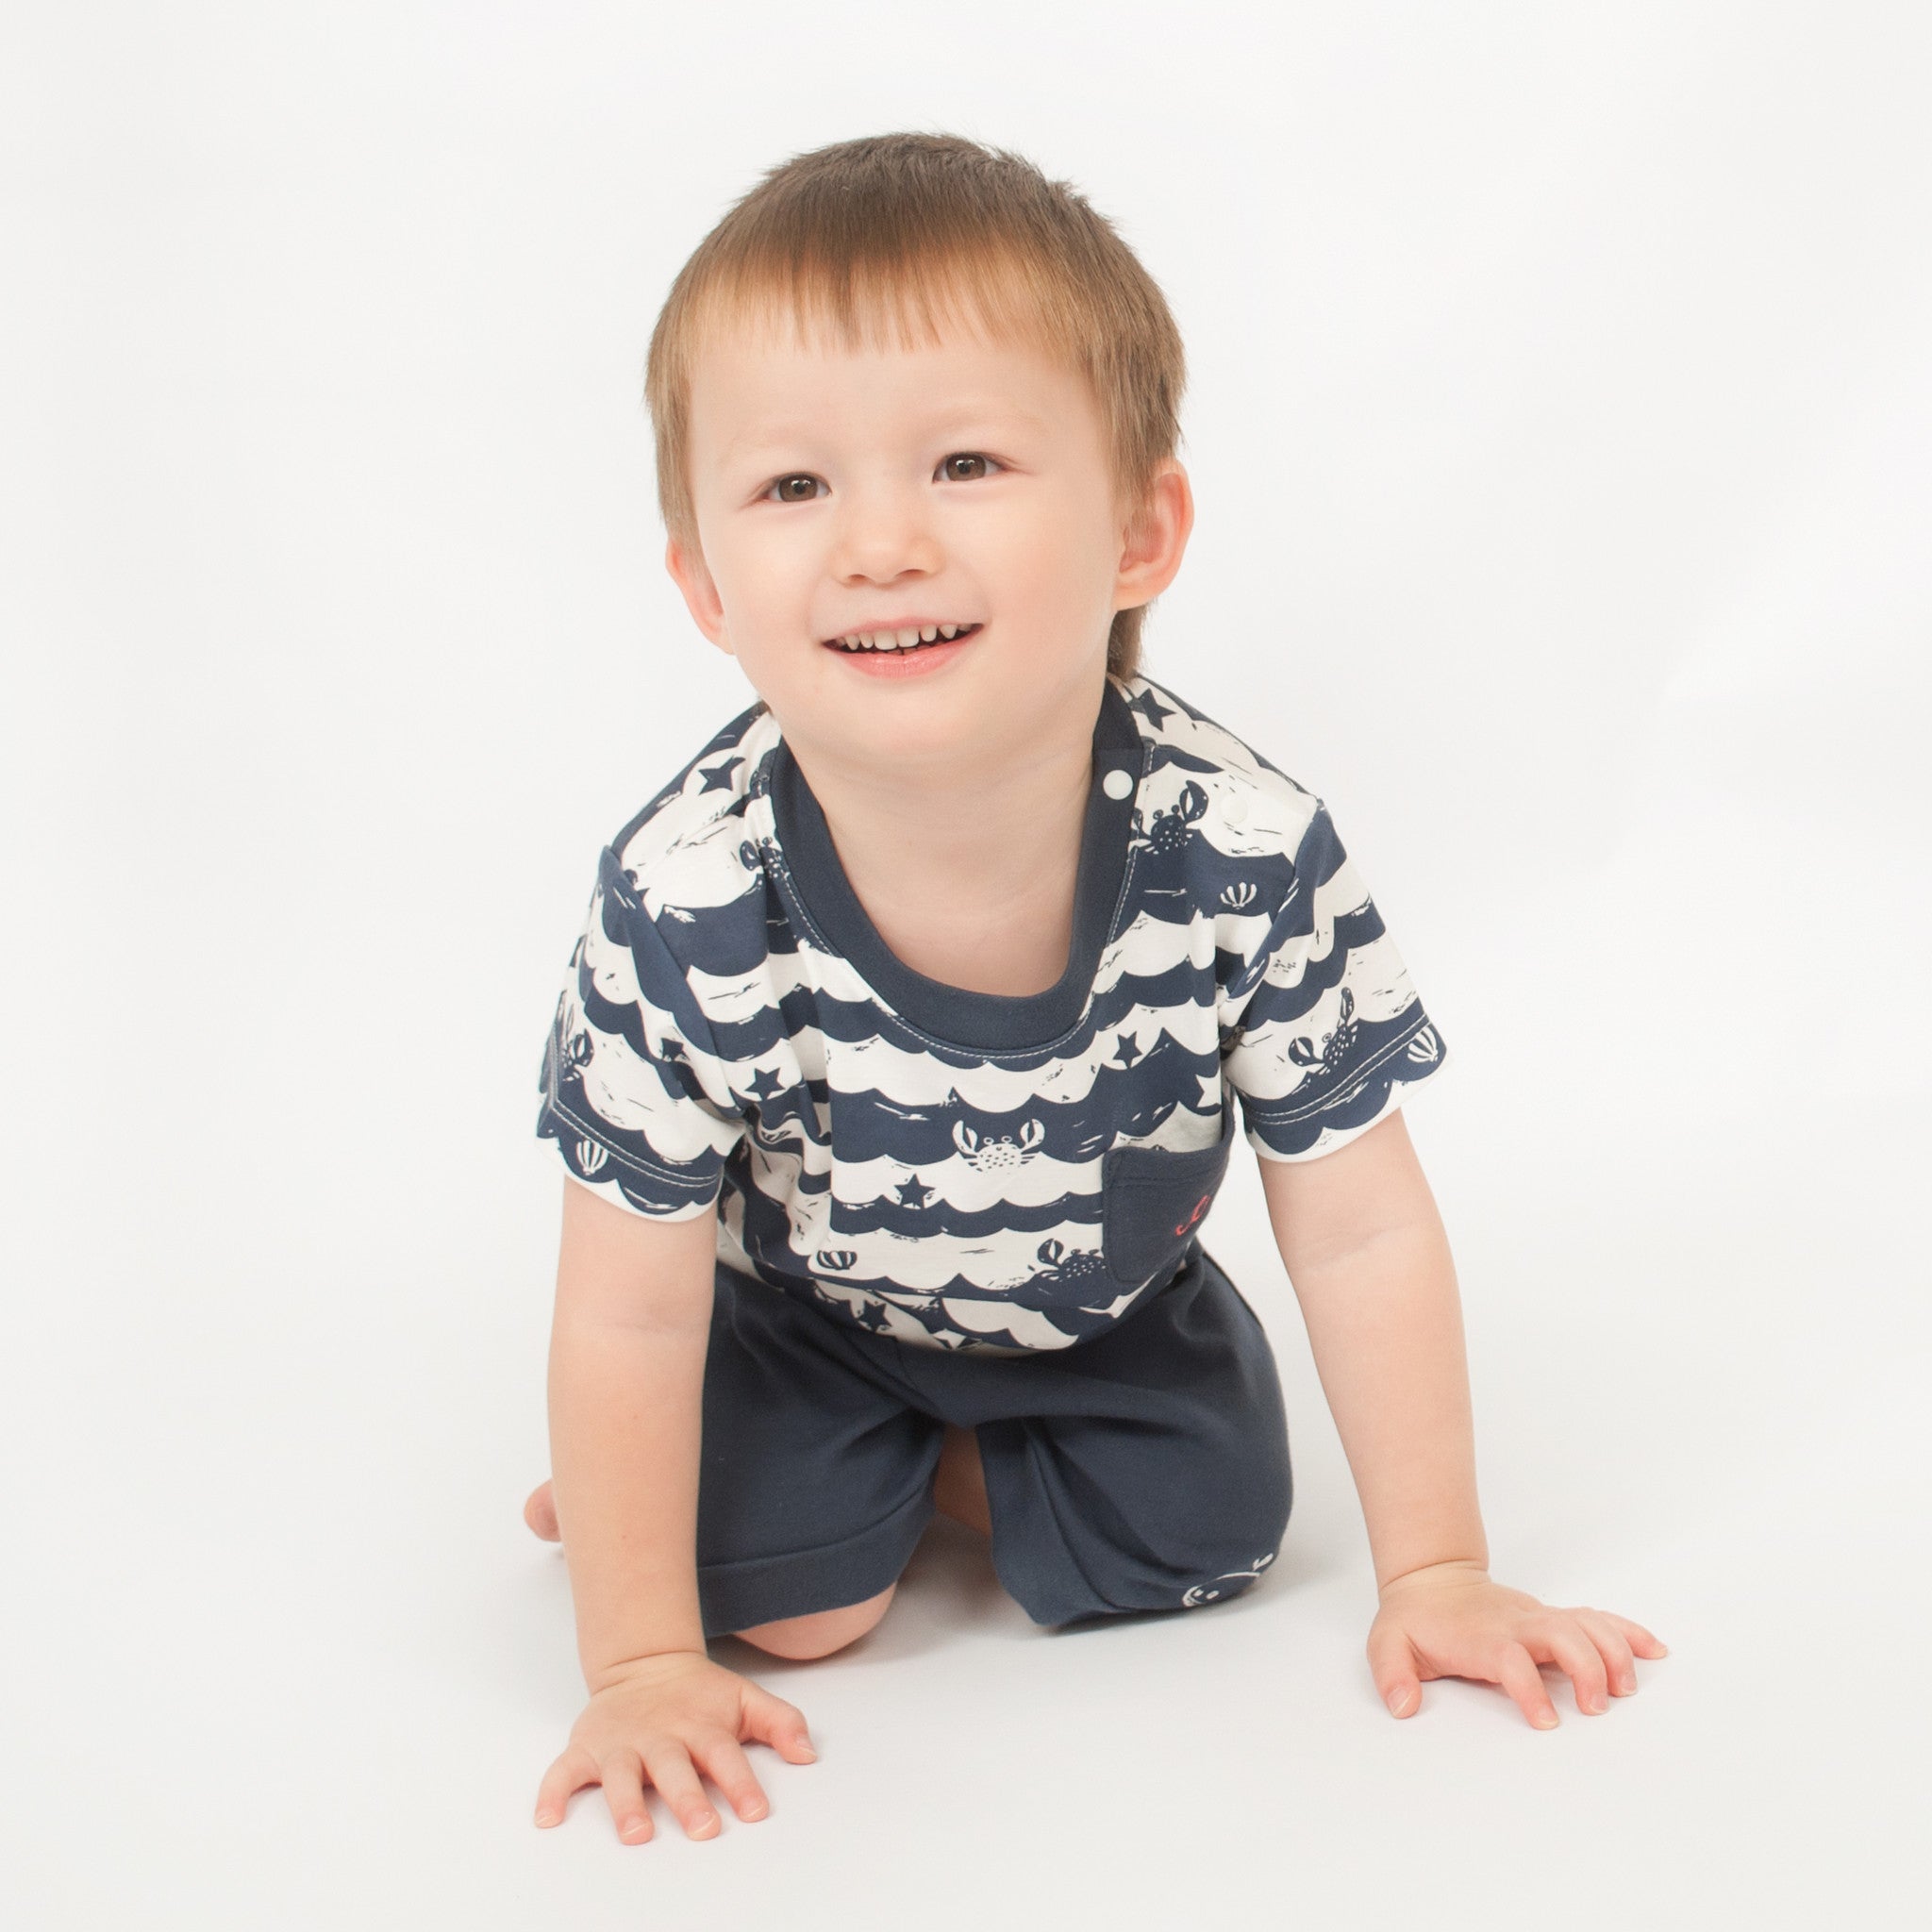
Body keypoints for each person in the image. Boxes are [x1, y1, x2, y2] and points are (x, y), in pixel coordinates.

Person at [523, 131, 1666, 1847]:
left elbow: (1354, 1225)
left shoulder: (1245, 851)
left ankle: (914, 1479)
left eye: (966, 461)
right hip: (811, 1316)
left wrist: (1439, 1566)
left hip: (1108, 1313)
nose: (882, 543)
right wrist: (637, 1660)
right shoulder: (688, 899)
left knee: (1213, 1537)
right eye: (791, 488)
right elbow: (625, 1300)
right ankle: (741, 1482)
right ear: (701, 583)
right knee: (795, 1624)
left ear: (1142, 531)